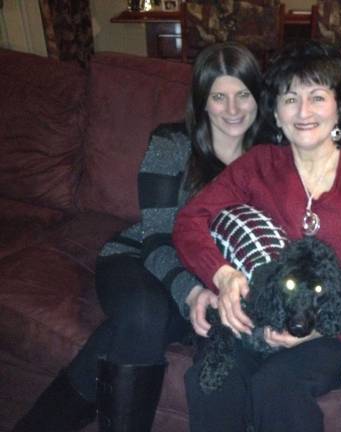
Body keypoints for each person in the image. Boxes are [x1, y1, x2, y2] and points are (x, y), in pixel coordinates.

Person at [12, 42, 265, 432]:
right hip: (139, 258)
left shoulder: (267, 160)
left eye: (242, 95)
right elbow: (156, 240)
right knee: (143, 314)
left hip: (206, 275)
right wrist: (192, 294)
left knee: (128, 331)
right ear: (201, 101)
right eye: (219, 96)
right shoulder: (170, 144)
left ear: (257, 97)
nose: (232, 110)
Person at [172, 40, 341, 432]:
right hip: (259, 316)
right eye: (290, 99)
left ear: (339, 110)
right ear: (276, 115)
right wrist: (222, 275)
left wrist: (317, 330)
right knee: (210, 381)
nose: (303, 112)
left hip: (331, 328)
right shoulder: (259, 165)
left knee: (275, 387)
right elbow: (189, 221)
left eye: (317, 97)